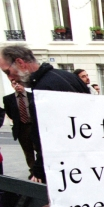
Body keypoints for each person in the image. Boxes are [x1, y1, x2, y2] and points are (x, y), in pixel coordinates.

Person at [0, 45, 89, 183]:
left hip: (67, 168)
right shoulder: (66, 76)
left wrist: (40, 169)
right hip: (83, 161)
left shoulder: (44, 89)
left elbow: (49, 134)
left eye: (8, 72)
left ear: (20, 63)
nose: (10, 78)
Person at [4, 80, 34, 169]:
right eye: (14, 84)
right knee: (28, 151)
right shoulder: (8, 99)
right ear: (12, 86)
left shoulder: (32, 96)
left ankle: (42, 170)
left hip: (33, 126)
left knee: (39, 149)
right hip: (21, 128)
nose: (17, 85)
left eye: (19, 83)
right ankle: (33, 172)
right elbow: (9, 113)